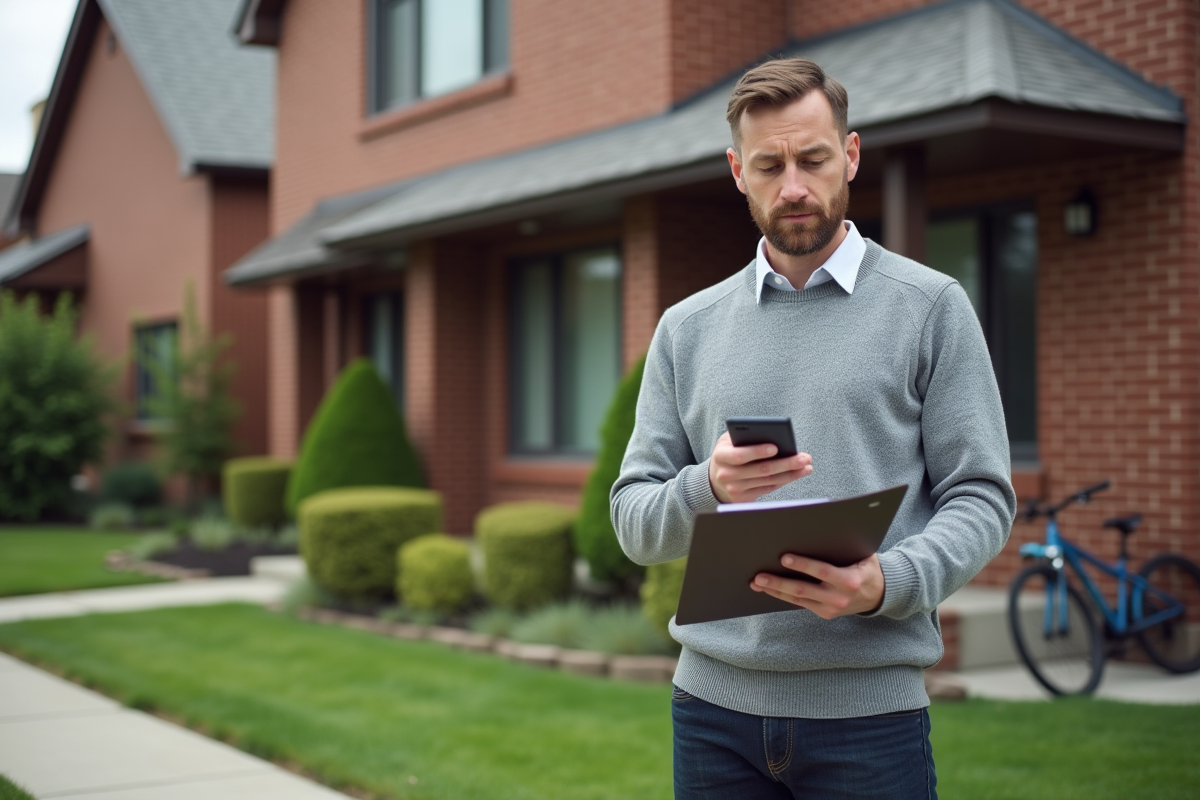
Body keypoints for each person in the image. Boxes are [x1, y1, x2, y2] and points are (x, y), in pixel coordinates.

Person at [610, 57, 1016, 799]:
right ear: (737, 170)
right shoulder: (685, 329)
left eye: (813, 159)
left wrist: (886, 581)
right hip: (710, 715)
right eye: (769, 165)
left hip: (869, 719)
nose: (793, 186)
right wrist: (709, 487)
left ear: (851, 156)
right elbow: (634, 524)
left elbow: (983, 497)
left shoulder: (930, 308)